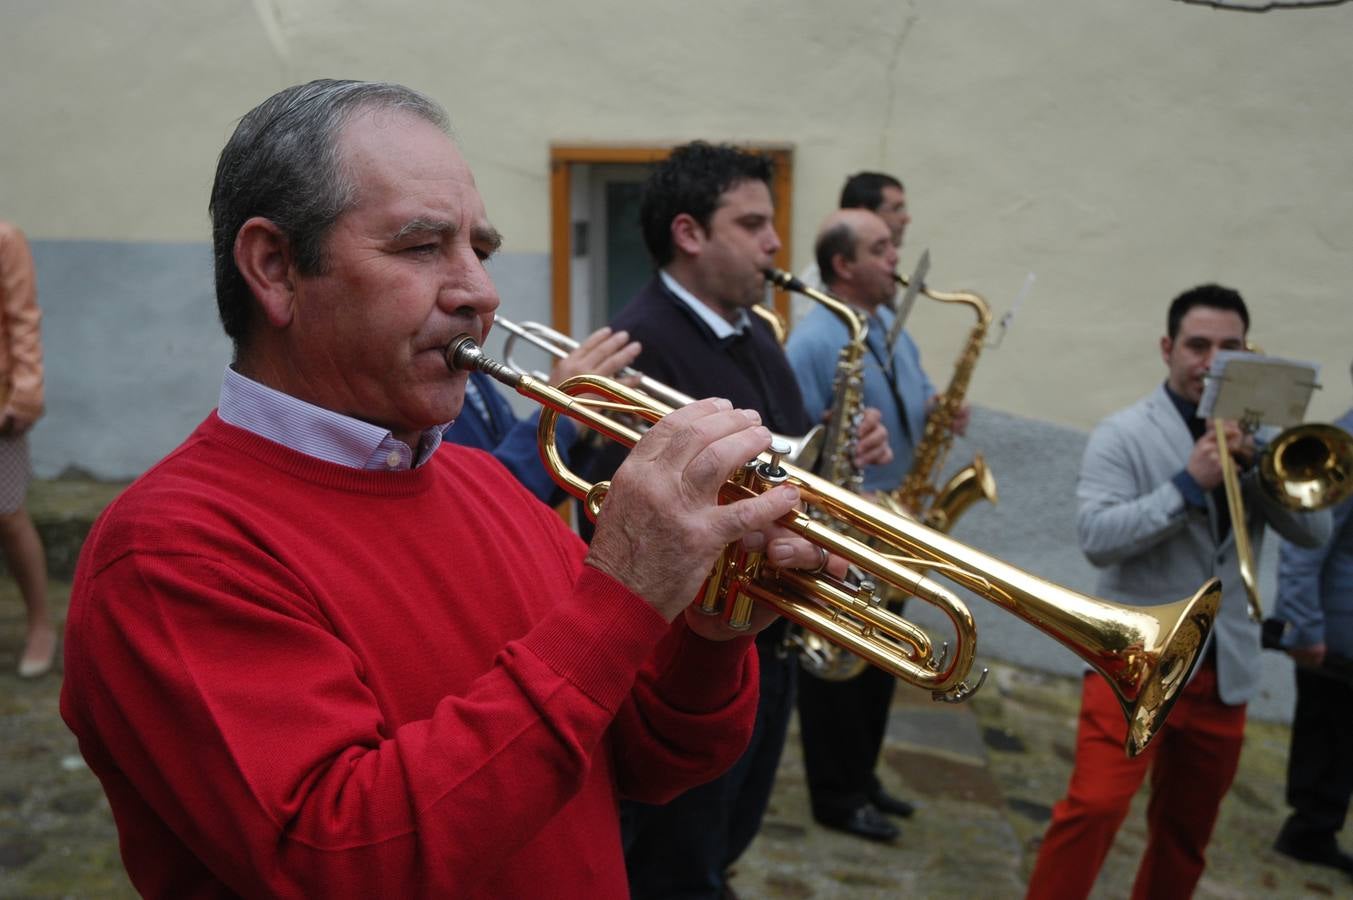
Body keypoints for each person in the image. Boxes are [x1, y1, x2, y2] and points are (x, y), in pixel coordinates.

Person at [58, 80, 840, 899]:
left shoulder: (480, 481)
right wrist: (620, 595)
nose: (481, 292)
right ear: (275, 268)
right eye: (422, 247)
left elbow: (650, 762)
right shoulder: (169, 550)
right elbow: (347, 864)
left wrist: (710, 641)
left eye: (481, 251)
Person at [602, 142, 892, 899]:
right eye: (754, 223)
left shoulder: (753, 328)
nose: (774, 243)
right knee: (678, 853)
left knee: (730, 830)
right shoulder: (643, 346)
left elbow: (781, 457)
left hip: (762, 637)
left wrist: (837, 441)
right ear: (690, 233)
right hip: (688, 657)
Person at [1025, 284, 1332, 900]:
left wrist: (1257, 470)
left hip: (1225, 668)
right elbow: (1097, 537)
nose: (1212, 362)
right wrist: (1187, 486)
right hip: (1135, 662)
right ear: (1168, 349)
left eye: (1229, 347)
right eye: (1198, 346)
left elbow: (1315, 529)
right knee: (1093, 809)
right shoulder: (1124, 433)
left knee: (1186, 834)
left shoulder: (1261, 441)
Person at [784, 207, 955, 842]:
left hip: (893, 518)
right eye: (881, 248)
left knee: (884, 663)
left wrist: (937, 408)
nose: (896, 257)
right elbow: (798, 440)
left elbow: (913, 387)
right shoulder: (813, 341)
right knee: (838, 673)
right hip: (846, 528)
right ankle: (836, 794)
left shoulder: (886, 324)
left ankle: (864, 776)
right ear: (843, 266)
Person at [1270, 374, 1353, 876]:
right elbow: (1307, 547)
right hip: (1337, 626)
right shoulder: (1340, 448)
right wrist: (1306, 628)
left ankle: (1317, 824)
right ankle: (1309, 829)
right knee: (1331, 730)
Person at [444, 324, 639, 503]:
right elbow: (487, 500)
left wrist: (589, 434)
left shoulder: (469, 373)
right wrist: (561, 413)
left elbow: (532, 499)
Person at [0, 220, 53, 679]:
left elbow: (23, 318)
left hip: (1, 405)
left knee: (8, 514)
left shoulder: (5, 240)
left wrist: (24, 395)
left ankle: (41, 624)